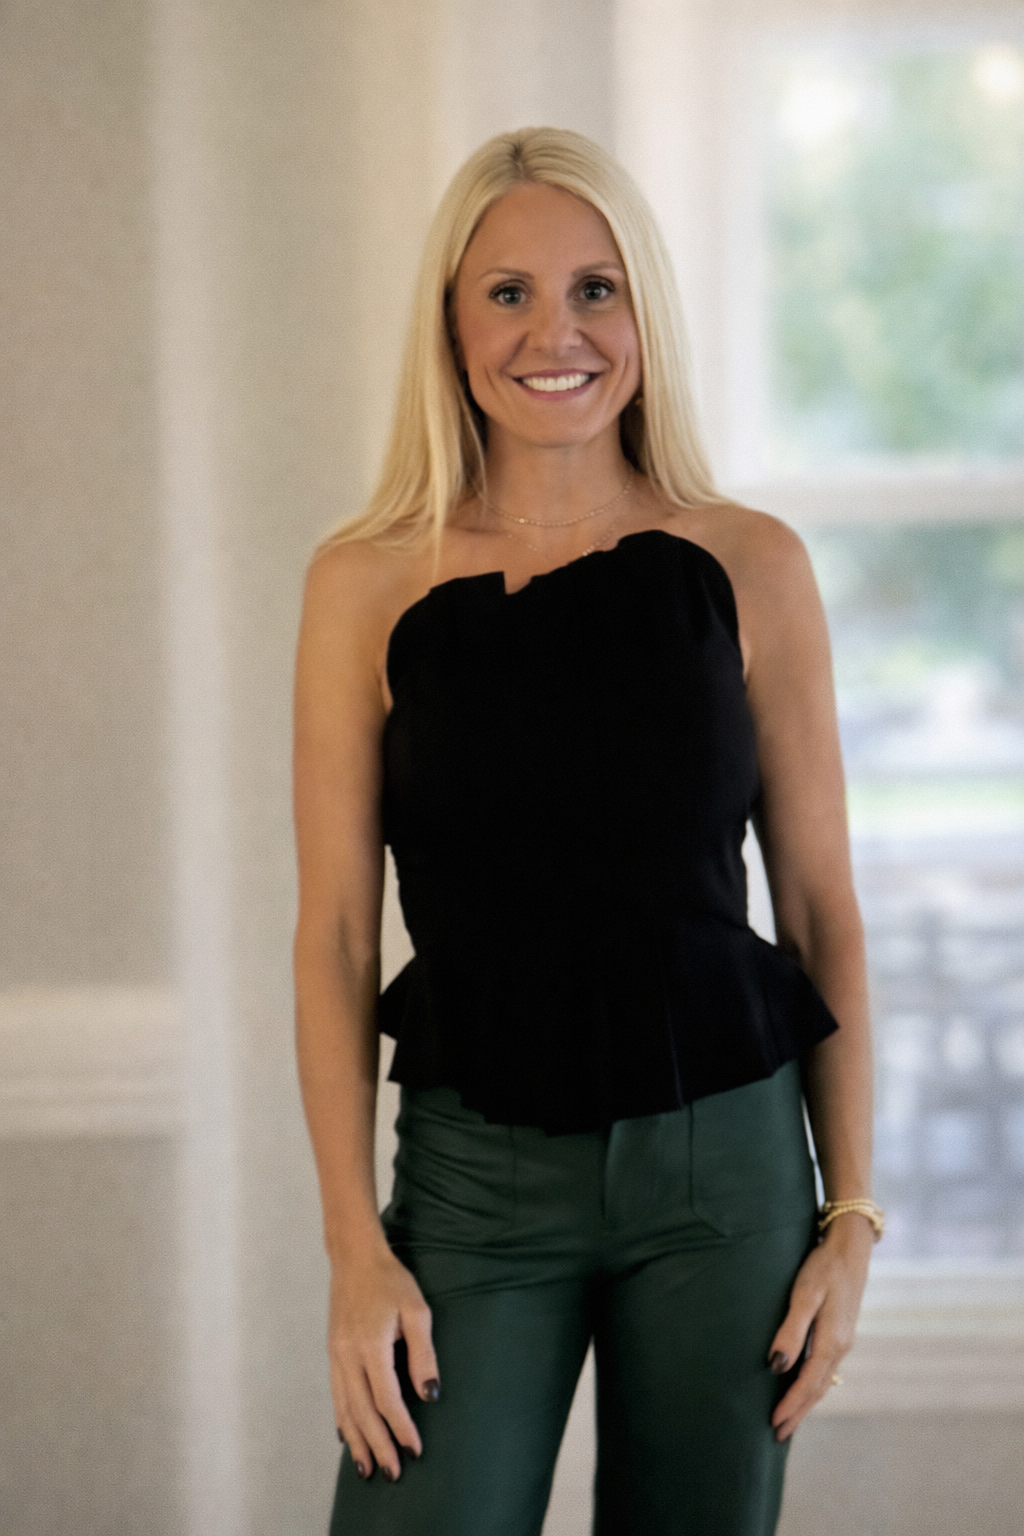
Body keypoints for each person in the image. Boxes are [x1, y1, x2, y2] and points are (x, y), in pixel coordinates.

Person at [292, 127, 881, 1536]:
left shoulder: (752, 565)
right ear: (450, 320)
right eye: (507, 292)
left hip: (727, 1176)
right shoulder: (364, 582)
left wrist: (850, 1217)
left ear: (644, 314)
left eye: (595, 289)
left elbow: (820, 909)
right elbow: (330, 933)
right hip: (473, 1185)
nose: (555, 332)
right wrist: (354, 1253)